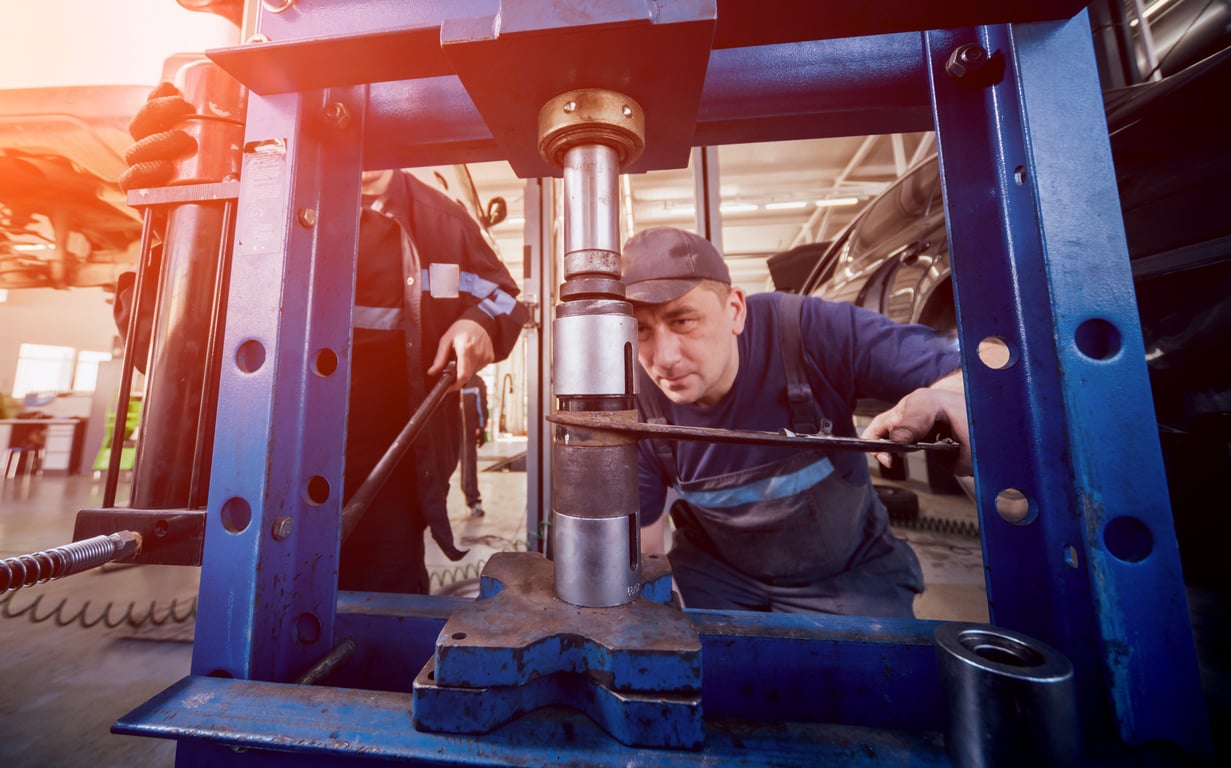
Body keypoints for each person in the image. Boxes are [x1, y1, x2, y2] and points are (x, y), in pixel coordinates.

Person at [116, 83, 527, 595]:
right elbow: (160, 346)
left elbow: (508, 300)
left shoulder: (442, 222)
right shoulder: (252, 210)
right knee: (259, 614)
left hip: (391, 482)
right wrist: (175, 226)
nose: (370, 152)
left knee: (382, 615)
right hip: (265, 472)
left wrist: (479, 322)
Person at [624, 226, 968, 617]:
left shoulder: (807, 330)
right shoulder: (638, 405)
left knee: (876, 672)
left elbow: (964, 372)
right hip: (718, 577)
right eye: (642, 330)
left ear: (734, 310)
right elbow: (646, 549)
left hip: (846, 575)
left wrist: (952, 399)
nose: (663, 357)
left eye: (683, 321)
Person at [459, 373, 489, 517]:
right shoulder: (476, 382)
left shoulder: (476, 382)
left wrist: (481, 427)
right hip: (452, 430)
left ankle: (473, 500)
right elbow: (482, 406)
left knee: (468, 466)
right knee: (468, 465)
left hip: (466, 432)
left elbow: (482, 406)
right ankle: (473, 501)